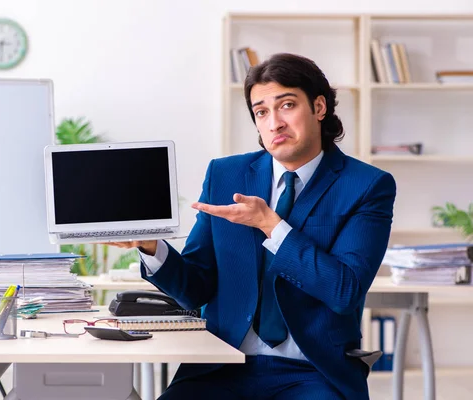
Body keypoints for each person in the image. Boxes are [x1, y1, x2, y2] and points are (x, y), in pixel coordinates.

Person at [110, 53, 396, 399]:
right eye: (261, 112)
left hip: (313, 372)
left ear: (319, 108)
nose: (274, 123)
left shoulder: (366, 185)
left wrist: (272, 226)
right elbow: (197, 288)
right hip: (221, 366)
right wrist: (151, 247)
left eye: (287, 105)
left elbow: (344, 291)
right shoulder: (226, 174)